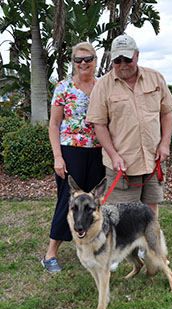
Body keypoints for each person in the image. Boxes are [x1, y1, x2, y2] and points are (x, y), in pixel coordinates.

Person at [86, 34, 172, 220]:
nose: (123, 64)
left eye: (127, 59)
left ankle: (146, 247)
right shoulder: (102, 86)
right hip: (123, 163)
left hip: (153, 159)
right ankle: (126, 248)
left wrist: (165, 144)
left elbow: (167, 113)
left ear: (137, 55)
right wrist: (113, 155)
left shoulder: (156, 78)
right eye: (117, 60)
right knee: (123, 214)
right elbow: (99, 125)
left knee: (151, 209)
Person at [41, 42, 105, 273]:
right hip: (71, 151)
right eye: (78, 60)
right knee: (69, 202)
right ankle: (50, 254)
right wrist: (58, 157)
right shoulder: (64, 87)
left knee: (94, 204)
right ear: (73, 63)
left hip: (99, 151)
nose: (83, 64)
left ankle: (92, 249)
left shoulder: (103, 86)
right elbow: (54, 124)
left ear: (95, 60)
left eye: (87, 59)